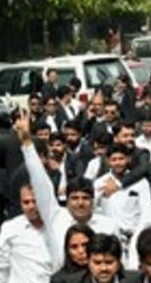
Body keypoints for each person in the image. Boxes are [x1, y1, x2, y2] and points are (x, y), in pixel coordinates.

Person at [16, 112, 117, 271]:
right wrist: (27, 143)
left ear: (93, 200)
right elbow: (41, 182)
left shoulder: (108, 226)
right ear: (67, 200)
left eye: (85, 198)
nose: (80, 203)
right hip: (62, 282)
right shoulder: (56, 217)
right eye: (74, 198)